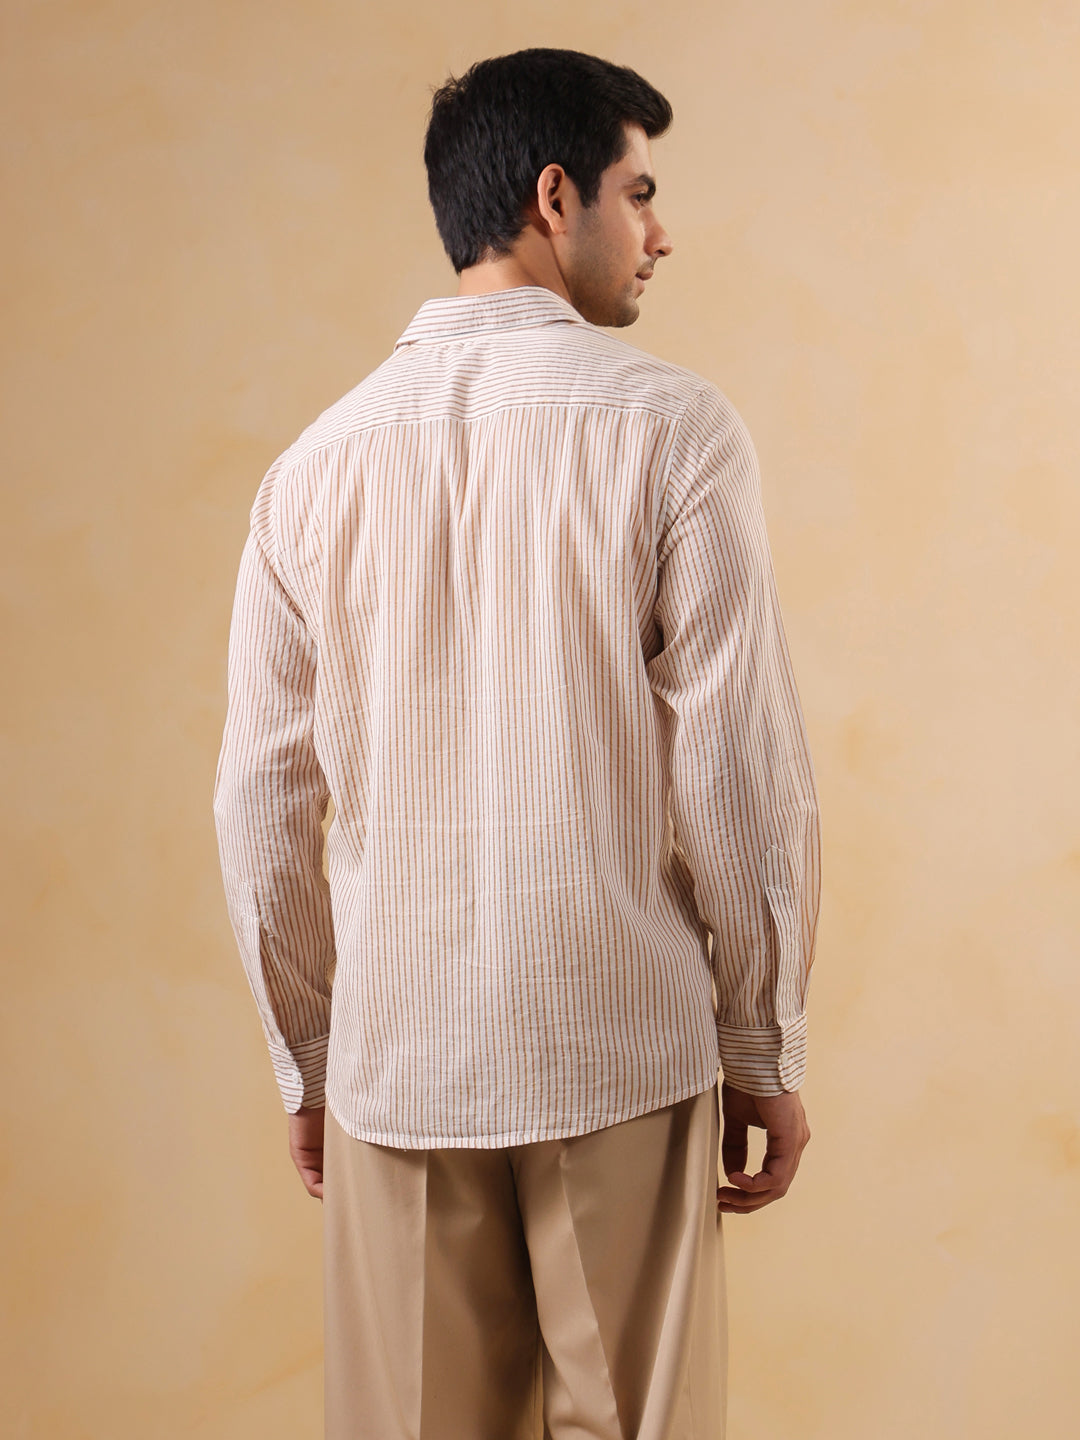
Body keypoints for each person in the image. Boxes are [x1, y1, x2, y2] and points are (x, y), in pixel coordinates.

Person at [213, 45, 820, 1440]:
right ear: (557, 197)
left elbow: (260, 801)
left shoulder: (311, 469)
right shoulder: (673, 428)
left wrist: (310, 1055)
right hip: (619, 1040)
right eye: (638, 192)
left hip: (398, 1064)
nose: (659, 233)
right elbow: (738, 768)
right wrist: (762, 1040)